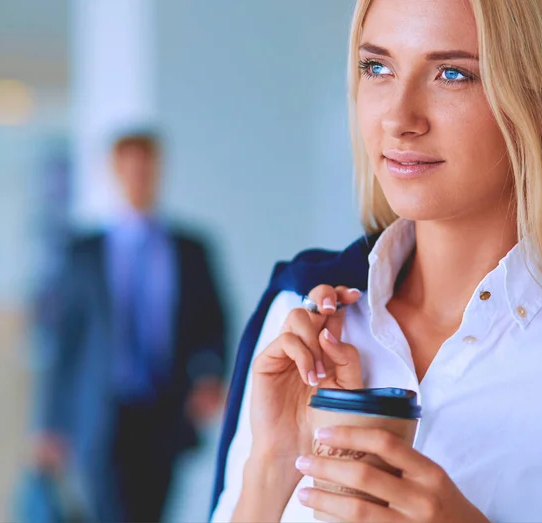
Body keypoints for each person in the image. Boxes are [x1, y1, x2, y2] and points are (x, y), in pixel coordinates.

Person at [211, 0, 542, 521]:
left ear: (530, 91)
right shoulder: (296, 312)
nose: (398, 118)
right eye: (378, 67)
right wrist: (272, 465)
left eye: (452, 73)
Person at [33, 130, 228, 522]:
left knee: (153, 513)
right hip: (101, 413)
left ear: (158, 171)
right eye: (129, 168)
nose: (138, 177)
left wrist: (210, 375)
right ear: (115, 172)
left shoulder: (191, 250)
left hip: (166, 410)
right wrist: (51, 423)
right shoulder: (84, 253)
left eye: (147, 167)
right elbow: (65, 342)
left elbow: (214, 322)